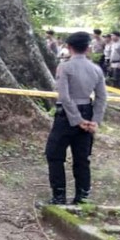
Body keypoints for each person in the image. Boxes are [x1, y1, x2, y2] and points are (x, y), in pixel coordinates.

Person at [45, 32, 107, 205]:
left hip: (66, 115)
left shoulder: (65, 67)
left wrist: (77, 119)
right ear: (88, 48)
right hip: (88, 112)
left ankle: (59, 196)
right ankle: (82, 196)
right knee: (82, 158)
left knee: (54, 154)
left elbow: (64, 97)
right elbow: (102, 97)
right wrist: (94, 120)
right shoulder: (96, 69)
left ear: (69, 48)